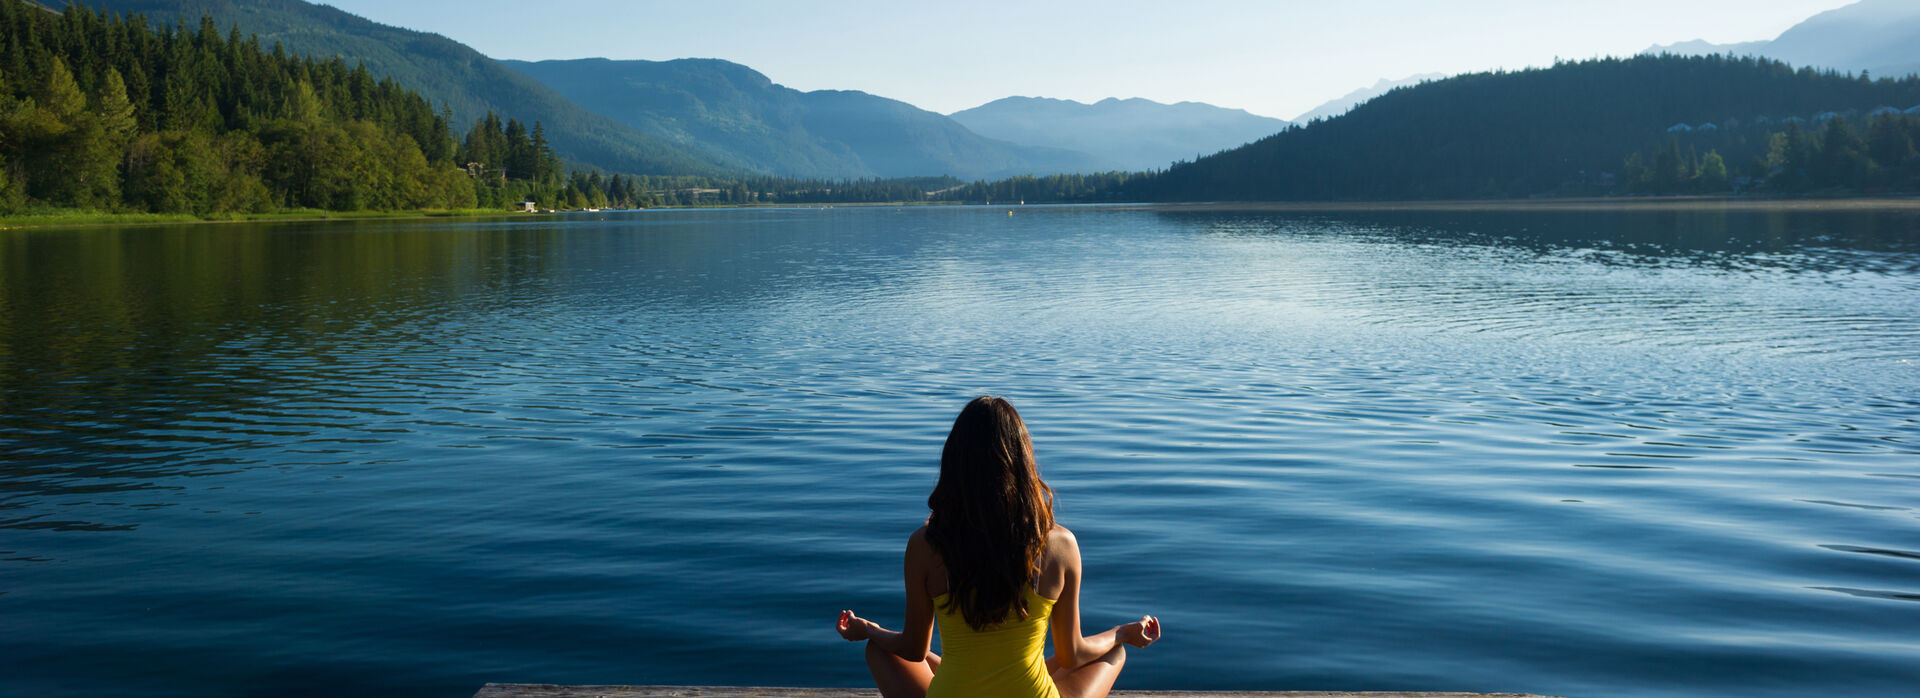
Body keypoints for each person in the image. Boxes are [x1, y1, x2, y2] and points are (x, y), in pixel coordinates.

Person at [836, 396, 1161, 698]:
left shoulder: (925, 544)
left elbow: (913, 649)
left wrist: (870, 630)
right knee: (1113, 651)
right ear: (1023, 463)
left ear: (954, 463)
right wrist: (1122, 633)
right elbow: (1071, 654)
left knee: (879, 648)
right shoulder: (1061, 544)